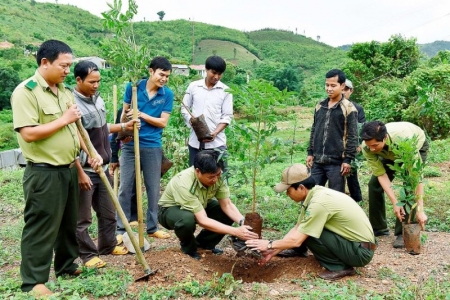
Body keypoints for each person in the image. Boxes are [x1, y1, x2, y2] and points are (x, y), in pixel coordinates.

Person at [10, 40, 97, 296]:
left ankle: (67, 266)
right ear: (44, 62)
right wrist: (63, 119)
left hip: (69, 168)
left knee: (68, 223)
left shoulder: (65, 91)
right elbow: (28, 134)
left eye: (70, 66)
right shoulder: (26, 92)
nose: (67, 71)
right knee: (41, 225)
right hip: (44, 172)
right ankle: (34, 281)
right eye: (63, 65)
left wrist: (90, 153)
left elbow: (76, 129)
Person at [246, 164, 376, 281]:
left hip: (361, 252)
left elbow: (297, 239)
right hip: (357, 245)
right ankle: (299, 251)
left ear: (301, 187)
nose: (287, 194)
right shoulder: (315, 194)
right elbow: (298, 227)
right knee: (305, 229)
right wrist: (274, 251)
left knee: (310, 233)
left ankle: (339, 267)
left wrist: (269, 244)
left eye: (288, 190)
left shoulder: (318, 203)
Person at [73, 61, 138, 268]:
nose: (96, 85)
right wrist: (85, 162)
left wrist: (123, 126)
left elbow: (102, 128)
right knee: (83, 217)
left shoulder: (97, 100)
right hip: (86, 168)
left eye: (99, 81)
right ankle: (87, 255)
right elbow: (76, 136)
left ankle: (108, 245)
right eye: (92, 82)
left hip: (102, 165)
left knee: (108, 211)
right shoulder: (72, 104)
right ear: (78, 80)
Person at [158, 150, 258, 260]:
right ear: (197, 171)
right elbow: (202, 220)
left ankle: (203, 245)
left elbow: (227, 205)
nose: (215, 179)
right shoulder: (184, 182)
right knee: (186, 220)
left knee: (224, 214)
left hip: (200, 204)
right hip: (170, 210)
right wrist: (235, 231)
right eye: (211, 177)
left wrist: (242, 222)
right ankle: (189, 249)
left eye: (218, 175)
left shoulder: (218, 177)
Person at [117, 56, 174, 239]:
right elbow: (122, 119)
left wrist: (141, 115)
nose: (164, 79)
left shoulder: (167, 94)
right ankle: (121, 227)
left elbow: (163, 122)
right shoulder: (133, 88)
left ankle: (152, 227)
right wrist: (130, 120)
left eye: (167, 76)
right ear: (151, 71)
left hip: (152, 145)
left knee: (153, 187)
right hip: (129, 145)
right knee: (125, 187)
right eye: (161, 74)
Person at [360, 121, 428, 248]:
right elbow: (381, 174)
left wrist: (420, 210)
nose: (372, 149)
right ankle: (378, 228)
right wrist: (395, 202)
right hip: (387, 152)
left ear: (384, 137)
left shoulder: (405, 139)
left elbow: (416, 178)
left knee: (409, 187)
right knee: (374, 185)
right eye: (369, 146)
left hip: (412, 146)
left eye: (375, 145)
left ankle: (403, 231)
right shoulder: (367, 146)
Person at [306, 69, 358, 193]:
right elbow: (314, 129)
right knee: (311, 194)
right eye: (327, 85)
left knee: (335, 197)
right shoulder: (320, 106)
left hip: (337, 163)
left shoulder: (349, 108)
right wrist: (310, 152)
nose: (329, 88)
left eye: (333, 86)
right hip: (317, 160)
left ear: (342, 86)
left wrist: (347, 160)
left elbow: (353, 136)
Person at [181, 55, 233, 166]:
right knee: (195, 176)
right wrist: (192, 121)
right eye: (213, 73)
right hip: (195, 143)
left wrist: (215, 133)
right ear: (206, 69)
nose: (216, 77)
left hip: (217, 145)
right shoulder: (193, 87)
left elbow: (227, 116)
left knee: (219, 178)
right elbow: (184, 108)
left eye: (220, 74)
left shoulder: (226, 91)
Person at [110, 106, 138, 228]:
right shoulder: (122, 110)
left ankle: (134, 215)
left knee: (137, 184)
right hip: (126, 150)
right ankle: (123, 218)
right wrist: (114, 157)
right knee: (126, 184)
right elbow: (115, 134)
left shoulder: (145, 109)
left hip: (144, 149)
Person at [343, 79, 366, 202]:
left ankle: (357, 198)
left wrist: (359, 143)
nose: (343, 91)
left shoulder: (357, 108)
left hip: (351, 145)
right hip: (336, 145)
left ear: (350, 91)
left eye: (346, 89)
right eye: (341, 88)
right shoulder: (331, 106)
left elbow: (361, 126)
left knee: (351, 172)